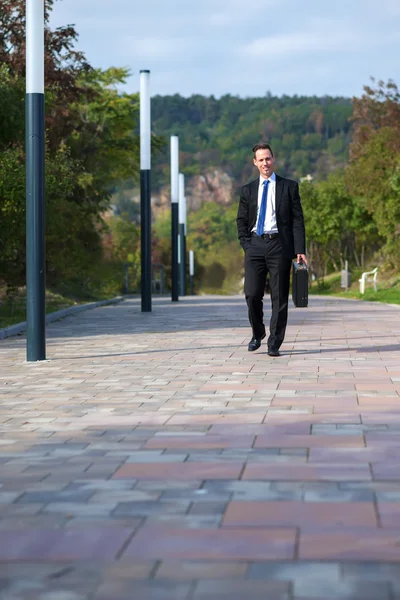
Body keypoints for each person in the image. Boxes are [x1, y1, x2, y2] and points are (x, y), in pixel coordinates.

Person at [236, 143, 307, 356]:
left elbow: (298, 220)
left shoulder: (289, 187)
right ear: (255, 163)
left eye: (268, 158)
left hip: (280, 245)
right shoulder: (247, 190)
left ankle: (274, 343)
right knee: (251, 294)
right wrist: (246, 244)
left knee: (279, 297)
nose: (265, 163)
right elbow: (241, 220)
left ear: (273, 159)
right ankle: (258, 333)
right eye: (261, 160)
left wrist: (299, 249)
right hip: (255, 245)